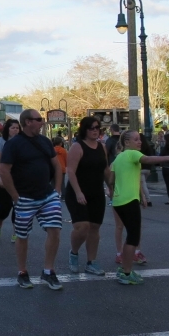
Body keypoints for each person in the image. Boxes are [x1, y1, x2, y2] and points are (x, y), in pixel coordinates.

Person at [0, 109, 64, 291]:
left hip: (48, 195)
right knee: (22, 235)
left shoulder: (44, 141)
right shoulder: (14, 144)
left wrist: (57, 189)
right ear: (28, 122)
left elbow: (57, 166)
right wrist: (15, 196)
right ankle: (22, 272)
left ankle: (48, 270)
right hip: (24, 197)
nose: (42, 122)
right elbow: (4, 170)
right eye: (39, 119)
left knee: (55, 230)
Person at [108, 131, 169, 285]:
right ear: (127, 142)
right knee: (133, 237)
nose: (139, 142)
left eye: (140, 139)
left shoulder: (118, 158)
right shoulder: (132, 154)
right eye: (136, 139)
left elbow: (111, 180)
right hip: (129, 201)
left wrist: (139, 194)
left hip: (119, 201)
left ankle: (125, 269)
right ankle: (126, 272)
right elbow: (148, 158)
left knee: (131, 235)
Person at [64, 116, 111, 276]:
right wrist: (78, 192)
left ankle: (91, 261)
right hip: (78, 191)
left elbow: (105, 170)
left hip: (96, 192)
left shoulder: (102, 147)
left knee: (94, 228)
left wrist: (111, 187)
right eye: (91, 128)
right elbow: (70, 170)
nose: (95, 130)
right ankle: (74, 253)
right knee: (82, 227)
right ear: (84, 129)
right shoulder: (77, 147)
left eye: (97, 127)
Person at [0, 119, 20, 242]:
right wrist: (0, 176)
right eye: (13, 128)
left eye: (17, 128)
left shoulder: (22, 142)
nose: (15, 130)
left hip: (19, 178)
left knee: (18, 206)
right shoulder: (0, 142)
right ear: (7, 129)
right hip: (4, 177)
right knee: (6, 206)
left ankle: (16, 231)